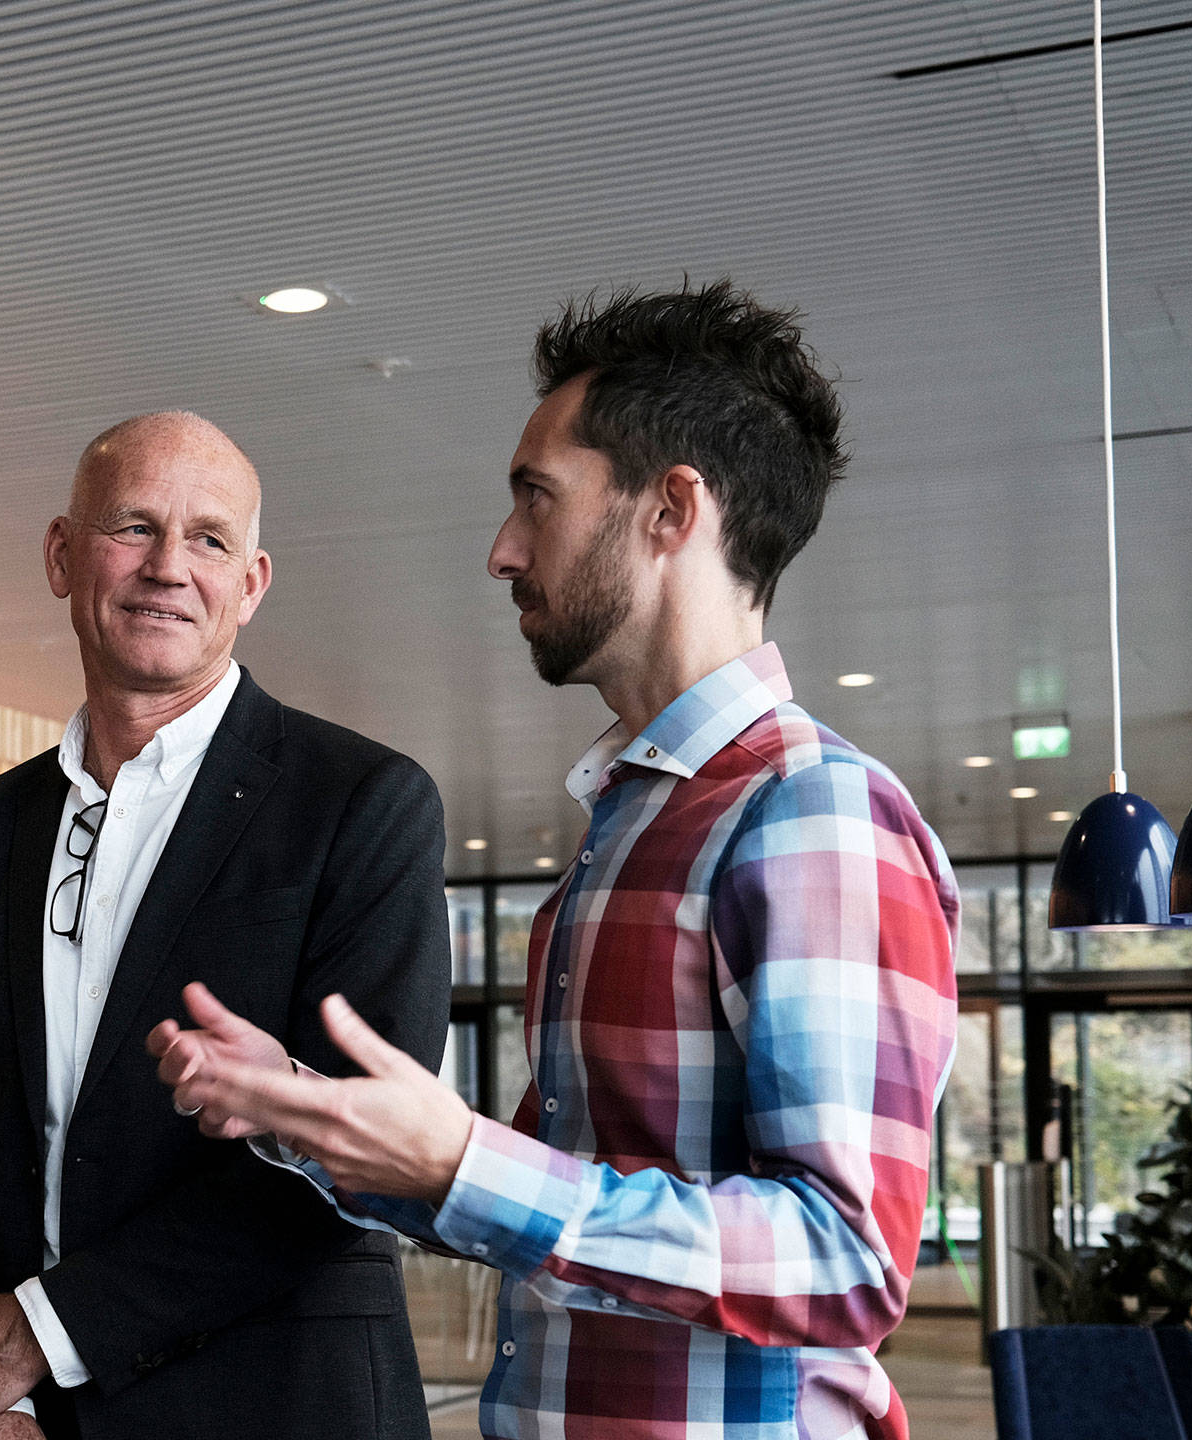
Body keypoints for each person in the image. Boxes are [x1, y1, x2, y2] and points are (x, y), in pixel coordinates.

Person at [154, 282, 961, 1440]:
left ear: (670, 509)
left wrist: (466, 1160)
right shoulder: (631, 821)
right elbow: (546, 1199)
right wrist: (310, 1114)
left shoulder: (808, 811)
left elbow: (844, 1260)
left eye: (537, 496)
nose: (503, 551)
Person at [0, 412, 451, 1440]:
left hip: (280, 1410)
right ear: (61, 555)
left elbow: (351, 1152)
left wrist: (32, 1337)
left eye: (208, 539)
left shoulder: (362, 803)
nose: (168, 566)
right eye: (133, 526)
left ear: (251, 585)